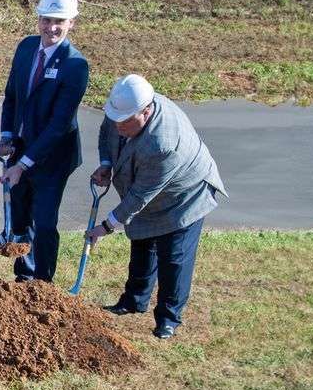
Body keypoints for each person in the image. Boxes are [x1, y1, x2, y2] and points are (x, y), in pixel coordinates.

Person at [86, 75, 226, 339]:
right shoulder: (121, 109)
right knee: (142, 242)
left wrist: (105, 227)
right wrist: (106, 163)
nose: (119, 126)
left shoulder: (163, 144)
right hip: (147, 190)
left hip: (184, 198)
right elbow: (107, 132)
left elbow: (139, 196)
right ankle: (133, 301)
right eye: (116, 119)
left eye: (126, 122)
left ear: (147, 111)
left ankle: (168, 318)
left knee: (173, 257)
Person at [0, 0, 89, 282]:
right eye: (47, 20)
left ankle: (44, 283)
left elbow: (59, 124)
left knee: (44, 222)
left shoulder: (75, 65)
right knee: (21, 218)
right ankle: (24, 278)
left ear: (71, 23)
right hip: (22, 148)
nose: (52, 27)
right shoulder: (25, 48)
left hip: (53, 156)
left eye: (59, 21)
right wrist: (7, 137)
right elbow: (11, 96)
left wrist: (23, 166)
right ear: (38, 20)